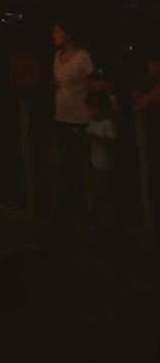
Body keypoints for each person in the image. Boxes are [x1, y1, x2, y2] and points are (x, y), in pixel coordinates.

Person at [51, 20, 96, 221]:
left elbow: (95, 79)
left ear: (68, 35)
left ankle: (90, 209)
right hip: (61, 117)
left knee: (85, 164)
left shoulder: (83, 56)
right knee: (59, 161)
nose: (54, 35)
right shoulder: (56, 57)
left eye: (57, 31)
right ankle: (64, 207)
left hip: (80, 118)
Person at [85, 80, 119, 230]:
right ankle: (96, 221)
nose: (89, 113)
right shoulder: (92, 124)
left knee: (106, 195)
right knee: (97, 193)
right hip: (95, 164)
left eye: (92, 109)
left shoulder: (106, 124)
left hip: (106, 166)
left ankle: (107, 224)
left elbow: (113, 143)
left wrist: (99, 139)